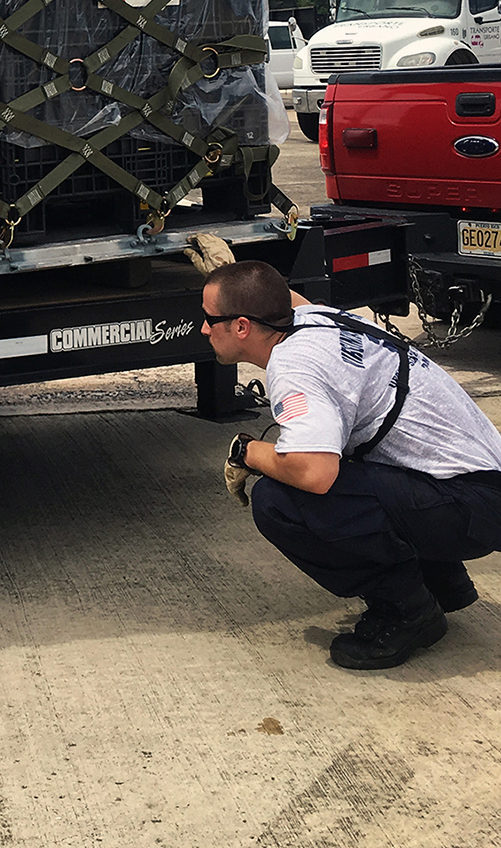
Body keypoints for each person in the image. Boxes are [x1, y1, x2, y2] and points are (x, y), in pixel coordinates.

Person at [201, 259, 501, 670]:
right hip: (475, 486)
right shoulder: (312, 317)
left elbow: (314, 473)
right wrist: (228, 268)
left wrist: (246, 452)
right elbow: (275, 294)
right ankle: (440, 581)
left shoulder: (294, 367)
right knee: (356, 463)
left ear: (241, 327)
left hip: (467, 505)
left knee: (278, 500)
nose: (203, 329)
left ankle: (408, 610)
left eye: (208, 318)